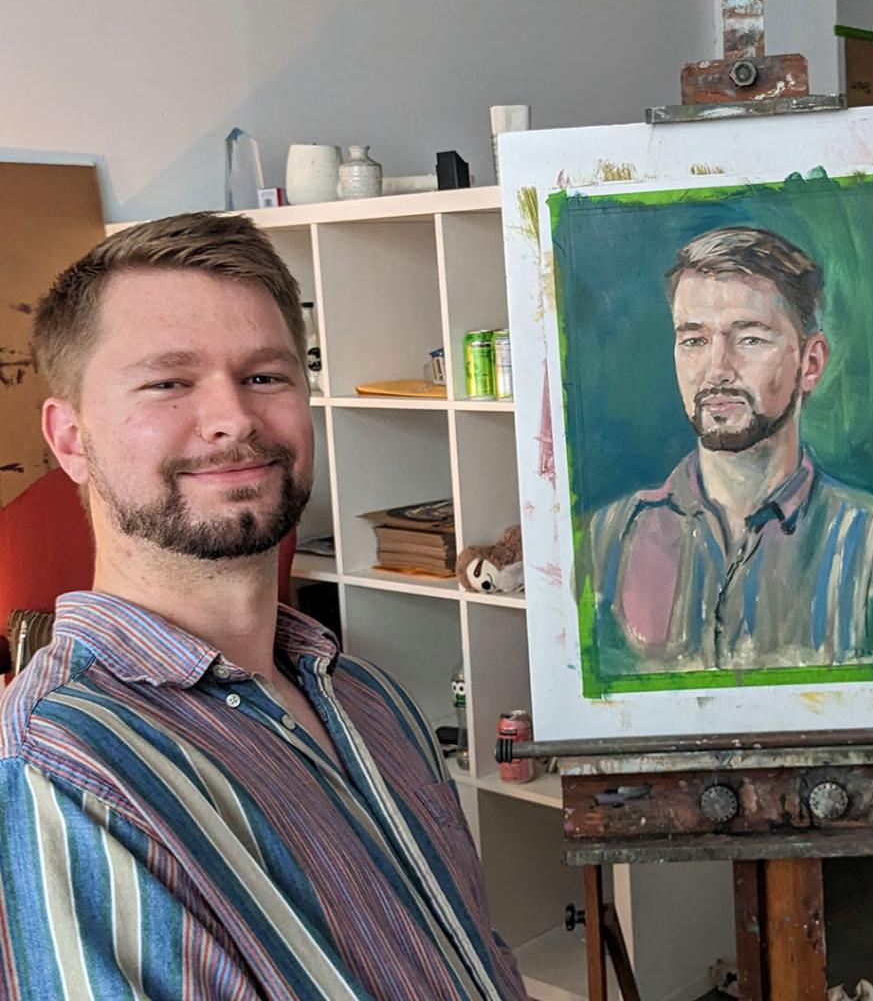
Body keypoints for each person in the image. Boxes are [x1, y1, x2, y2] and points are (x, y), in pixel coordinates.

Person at [0, 212, 526, 1001]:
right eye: (168, 382)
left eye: (265, 376)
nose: (234, 419)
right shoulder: (66, 772)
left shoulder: (367, 698)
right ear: (70, 439)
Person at [587, 226, 873, 674]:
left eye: (749, 338)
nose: (717, 370)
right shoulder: (604, 542)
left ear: (810, 363)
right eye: (694, 339)